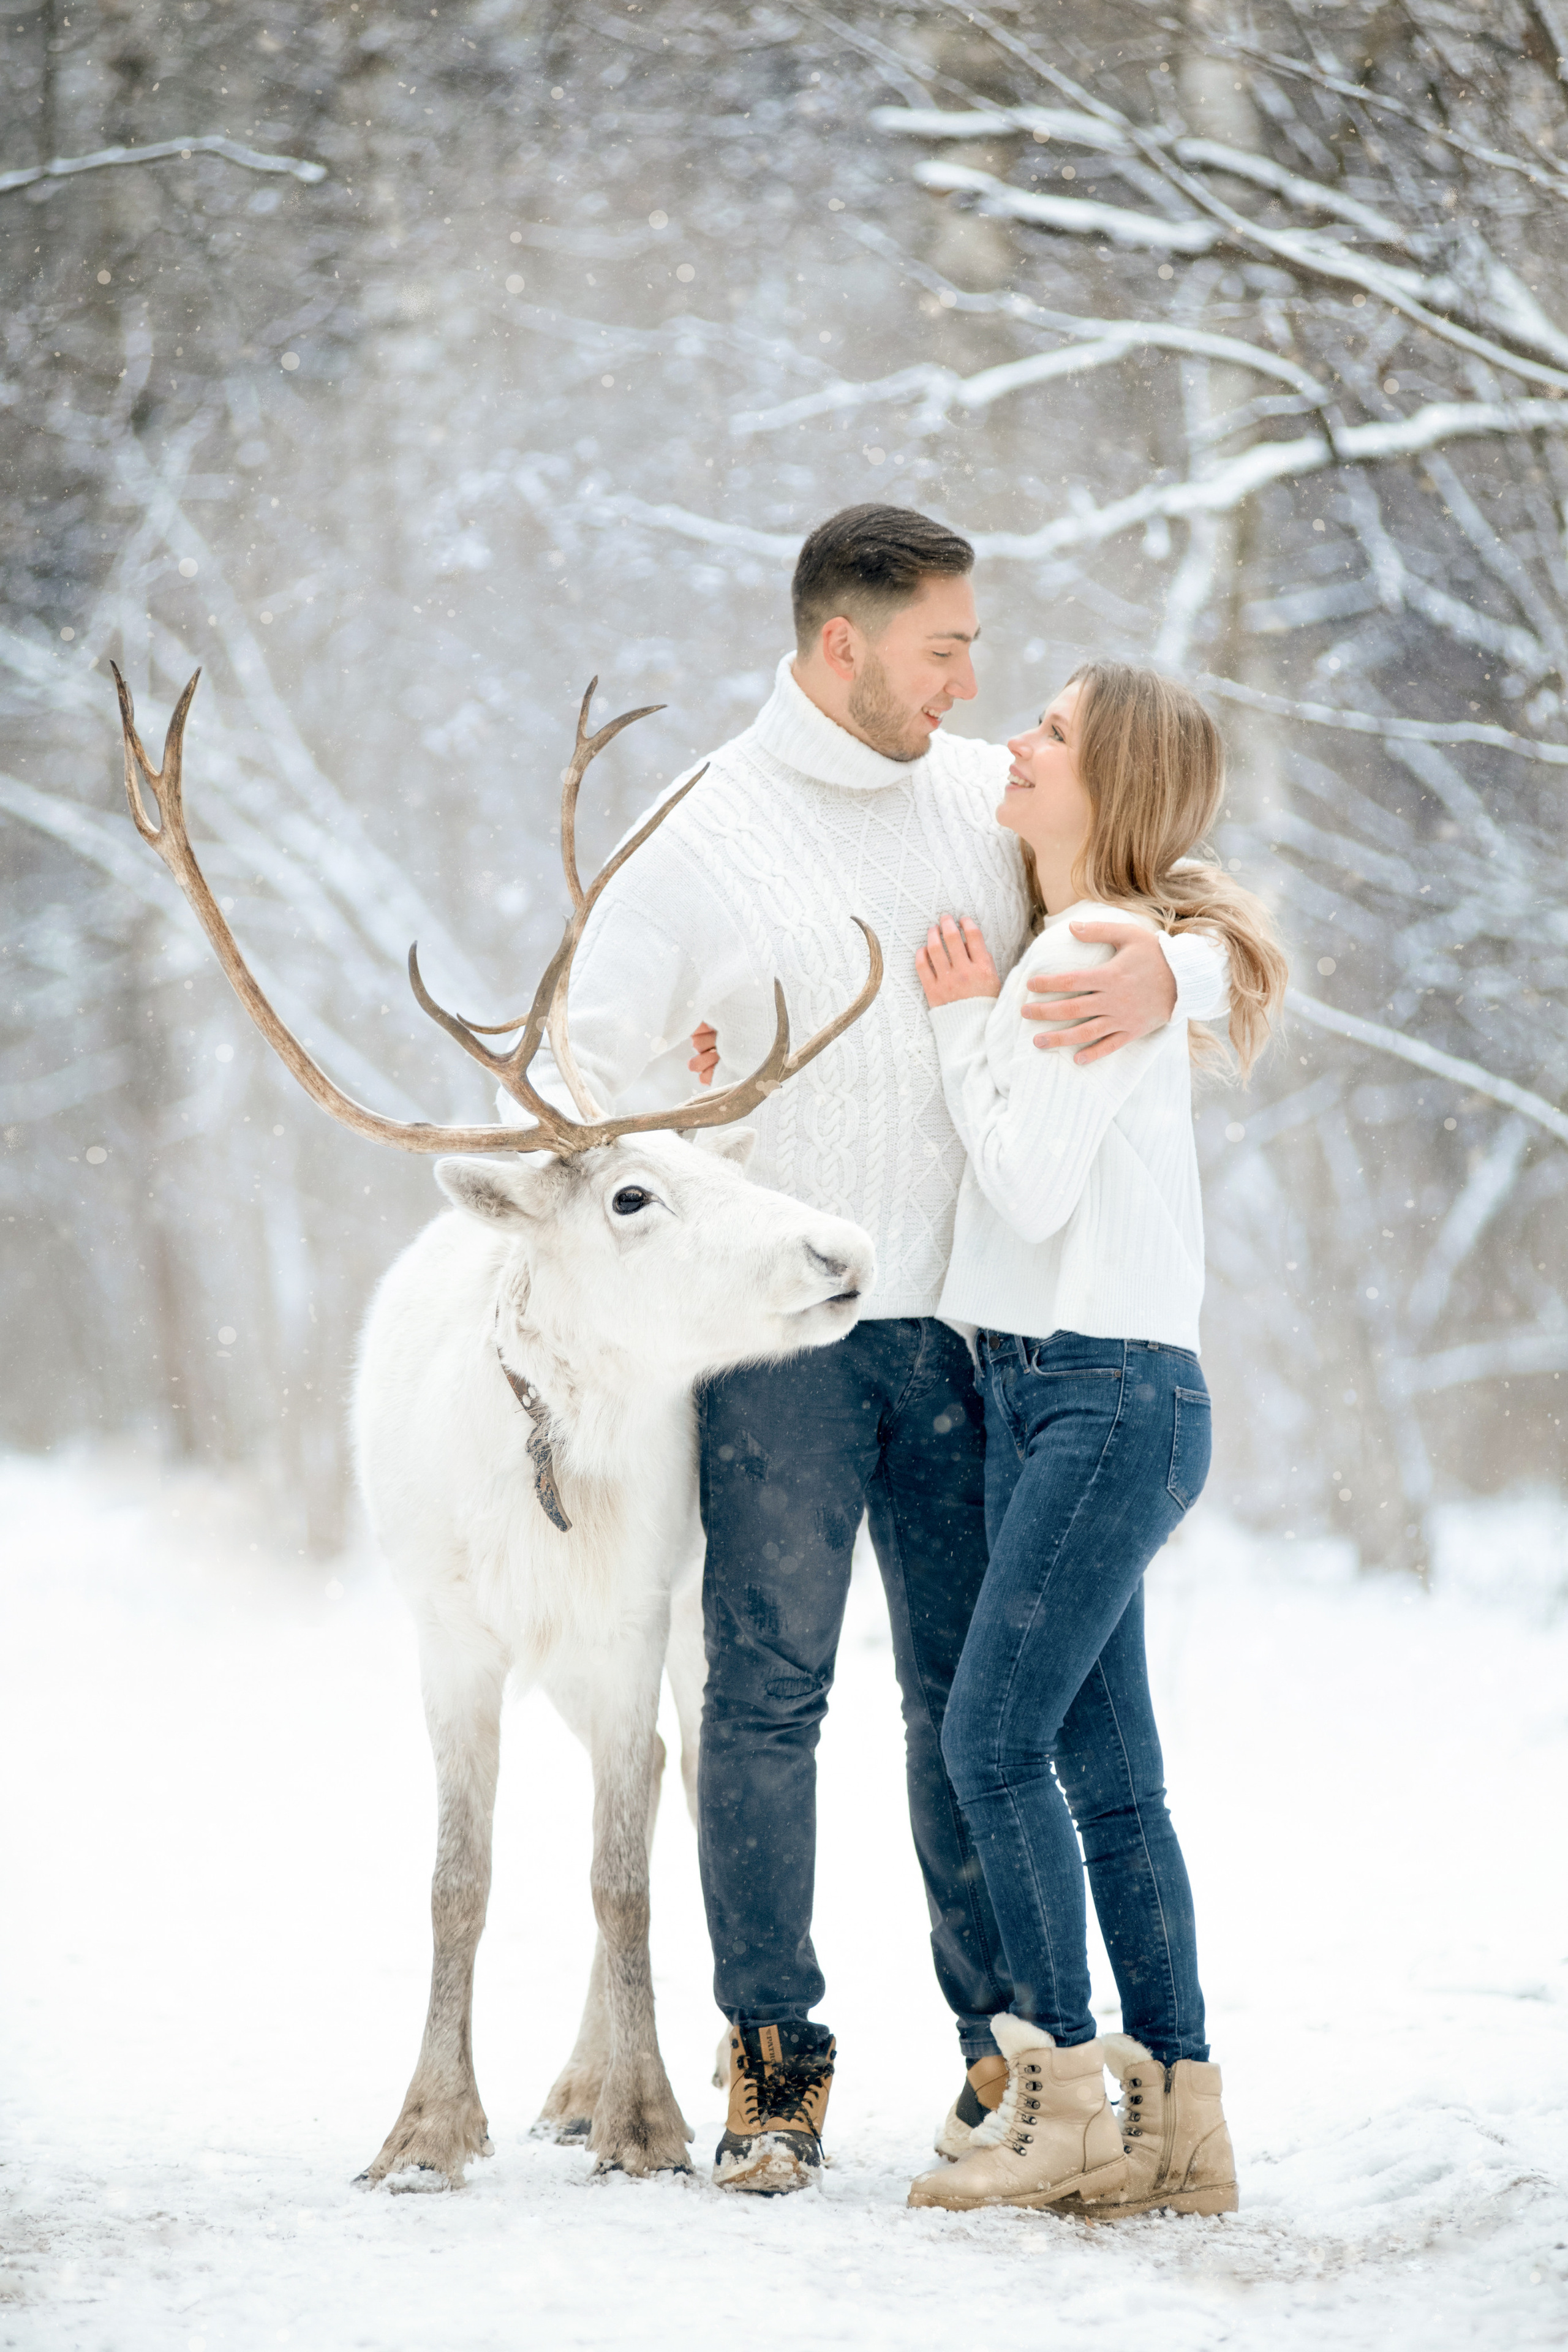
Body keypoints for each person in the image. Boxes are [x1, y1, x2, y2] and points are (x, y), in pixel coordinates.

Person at [504, 506, 1231, 2194]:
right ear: (846, 646)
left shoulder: (983, 789)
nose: (970, 683)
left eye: (976, 657)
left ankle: (1010, 2063)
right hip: (781, 1348)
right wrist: (680, 1129)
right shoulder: (689, 842)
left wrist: (1174, 984)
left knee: (963, 1711)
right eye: (943, 653)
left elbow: (1164, 887)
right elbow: (576, 1093)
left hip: (978, 1338)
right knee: (764, 1697)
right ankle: (775, 2061)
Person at [901, 662, 1286, 2218]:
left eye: (1048, 732)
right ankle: (1178, 2127)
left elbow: (1030, 1189)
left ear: (1105, 782)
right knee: (1108, 1779)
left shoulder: (1089, 945)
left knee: (989, 1742)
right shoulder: (1113, 942)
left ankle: (1060, 2101)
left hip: (1092, 1388)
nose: (1016, 741)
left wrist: (948, 1027)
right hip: (1084, 1390)